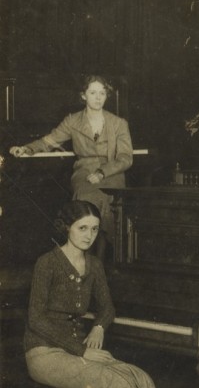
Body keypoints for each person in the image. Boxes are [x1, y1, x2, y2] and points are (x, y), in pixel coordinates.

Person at [23, 201, 162, 388]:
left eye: (95, 229)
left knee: (136, 377)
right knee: (107, 380)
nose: (89, 235)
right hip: (44, 353)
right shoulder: (47, 263)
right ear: (66, 228)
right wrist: (81, 350)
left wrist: (99, 325)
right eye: (82, 228)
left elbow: (107, 307)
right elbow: (35, 319)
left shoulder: (94, 265)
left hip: (75, 350)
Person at [8, 75, 133, 259]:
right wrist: (27, 148)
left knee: (110, 201)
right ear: (83, 95)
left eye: (102, 93)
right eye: (93, 92)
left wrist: (102, 172)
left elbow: (125, 158)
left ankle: (98, 262)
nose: (98, 97)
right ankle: (85, 259)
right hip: (84, 172)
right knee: (86, 197)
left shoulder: (119, 123)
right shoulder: (72, 121)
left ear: (107, 96)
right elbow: (49, 141)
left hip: (112, 172)